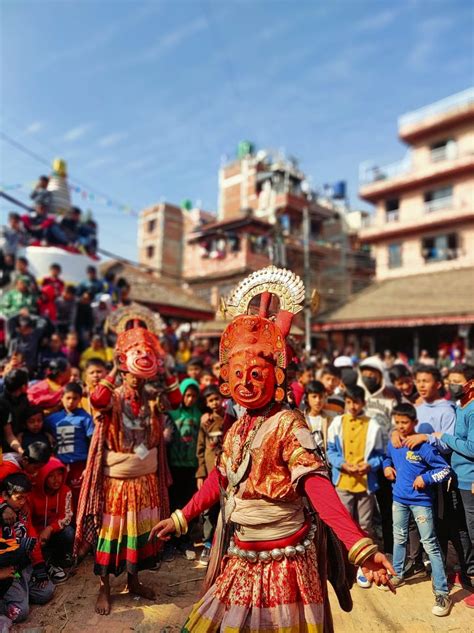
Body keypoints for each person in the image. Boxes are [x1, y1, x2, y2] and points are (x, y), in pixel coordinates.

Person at [150, 267, 394, 632]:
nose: (245, 383)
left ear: (276, 377)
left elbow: (317, 487)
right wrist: (181, 516)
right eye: (237, 375)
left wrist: (360, 546)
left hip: (286, 562)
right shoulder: (237, 428)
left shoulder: (289, 424)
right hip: (241, 554)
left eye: (255, 374)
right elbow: (220, 479)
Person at [74, 305, 179, 616]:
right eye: (132, 371)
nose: (136, 378)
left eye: (141, 372)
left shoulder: (152, 396)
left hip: (145, 478)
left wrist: (162, 365)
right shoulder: (114, 396)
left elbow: (174, 400)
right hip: (117, 482)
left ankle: (133, 582)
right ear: (125, 369)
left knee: (138, 533)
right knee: (112, 534)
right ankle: (104, 588)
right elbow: (97, 400)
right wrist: (117, 364)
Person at [382, 403, 452, 616]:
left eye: (405, 422)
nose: (401, 426)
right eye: (398, 422)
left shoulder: (423, 446)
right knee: (399, 537)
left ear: (414, 423)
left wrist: (426, 478)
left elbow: (445, 470)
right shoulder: (394, 442)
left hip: (421, 503)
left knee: (430, 544)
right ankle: (398, 573)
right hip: (398, 500)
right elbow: (387, 456)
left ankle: (442, 592)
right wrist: (386, 466)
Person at [327, 385, 384, 588]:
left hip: (365, 483)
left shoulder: (373, 425)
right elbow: (331, 450)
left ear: (363, 403)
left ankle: (363, 565)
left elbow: (379, 455)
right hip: (343, 481)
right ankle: (342, 565)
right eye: (349, 402)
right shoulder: (336, 423)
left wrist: (370, 465)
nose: (352, 406)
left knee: (366, 525)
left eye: (356, 402)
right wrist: (342, 464)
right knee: (344, 524)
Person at [434, 376, 474, 605]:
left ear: (471, 383)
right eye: (449, 380)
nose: (451, 384)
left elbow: (472, 447)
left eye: (456, 380)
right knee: (462, 529)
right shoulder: (460, 407)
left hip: (470, 481)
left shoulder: (472, 411)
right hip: (458, 478)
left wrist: (446, 437)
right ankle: (468, 573)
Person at [0, 473, 54, 623]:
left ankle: (20, 594)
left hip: (23, 568)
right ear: (5, 495)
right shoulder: (3, 513)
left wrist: (39, 566)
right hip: (8, 573)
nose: (23, 502)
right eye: (19, 498)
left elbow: (32, 539)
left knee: (46, 592)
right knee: (20, 613)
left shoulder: (23, 512)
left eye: (25, 498)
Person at [165, 378, 201, 558]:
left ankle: (185, 540)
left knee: (188, 505)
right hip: (174, 466)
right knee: (173, 504)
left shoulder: (200, 415)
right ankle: (171, 542)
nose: (190, 399)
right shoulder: (172, 415)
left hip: (191, 467)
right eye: (187, 395)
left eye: (194, 396)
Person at [44, 383, 94, 509]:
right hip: (60, 465)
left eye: (75, 398)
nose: (71, 401)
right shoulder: (53, 419)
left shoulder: (85, 418)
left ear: (80, 399)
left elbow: (93, 442)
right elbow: (42, 430)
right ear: (62, 398)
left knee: (77, 495)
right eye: (68, 398)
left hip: (79, 465)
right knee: (61, 495)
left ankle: (78, 523)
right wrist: (47, 435)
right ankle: (62, 522)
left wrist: (89, 465)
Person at [30, 457, 74, 583]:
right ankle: (45, 564)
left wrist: (49, 529)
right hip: (35, 536)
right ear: (43, 477)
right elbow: (27, 520)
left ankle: (57, 560)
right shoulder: (31, 494)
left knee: (69, 532)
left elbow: (67, 516)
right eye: (51, 476)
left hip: (53, 534)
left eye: (60, 474)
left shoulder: (65, 491)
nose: (57, 479)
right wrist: (37, 536)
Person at [195, 385, 224, 566]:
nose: (214, 403)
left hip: (227, 472)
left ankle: (222, 544)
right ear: (206, 403)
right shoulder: (205, 422)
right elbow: (200, 450)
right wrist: (201, 475)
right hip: (209, 473)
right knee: (208, 510)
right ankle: (207, 543)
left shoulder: (229, 418)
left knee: (225, 508)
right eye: (210, 400)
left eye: (216, 399)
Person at [304, 379, 330, 461]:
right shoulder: (301, 419)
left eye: (321, 397)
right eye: (314, 396)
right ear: (307, 398)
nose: (318, 400)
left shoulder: (329, 419)